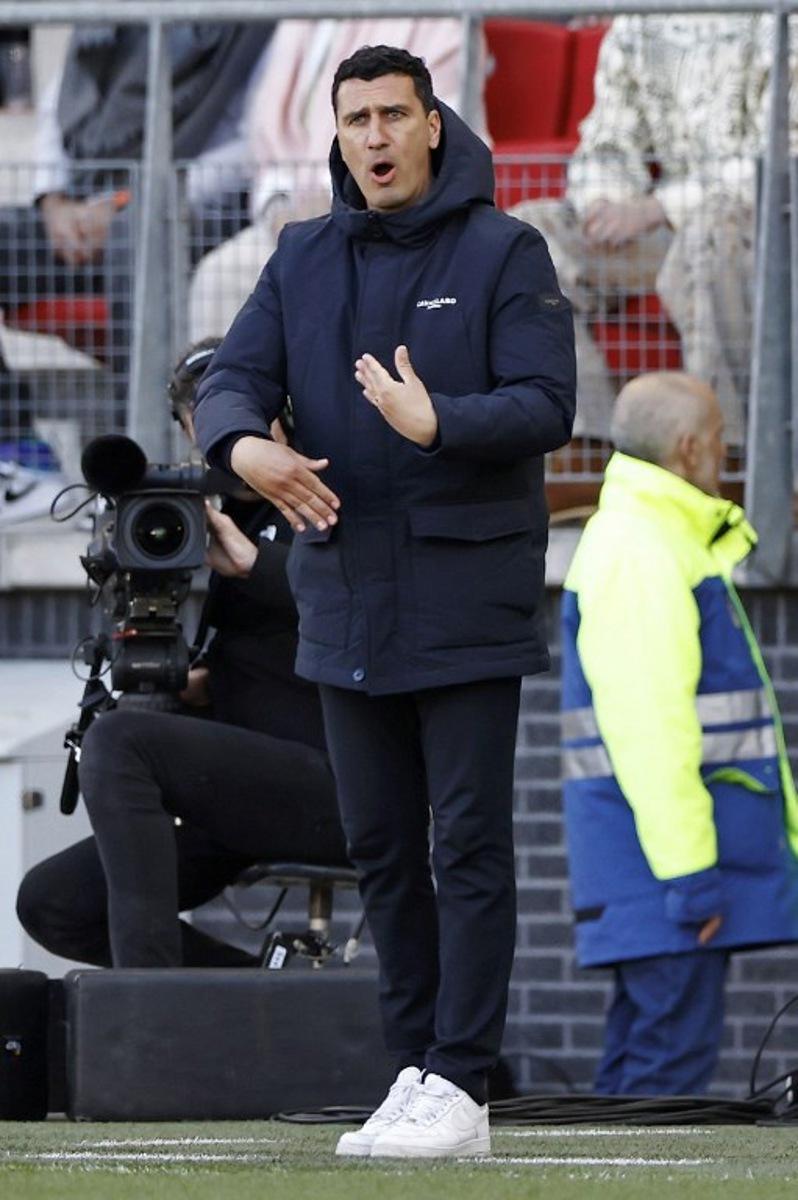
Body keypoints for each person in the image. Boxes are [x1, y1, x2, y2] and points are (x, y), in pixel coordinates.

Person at [193, 45, 575, 1157]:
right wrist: (244, 448)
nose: (375, 137)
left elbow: (548, 403)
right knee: (382, 849)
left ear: (433, 124)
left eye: (394, 115)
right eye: (356, 118)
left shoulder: (506, 249)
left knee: (469, 846)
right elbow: (230, 379)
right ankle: (413, 1070)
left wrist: (439, 421)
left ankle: (462, 1079)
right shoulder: (301, 255)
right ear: (338, 132)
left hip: (466, 599)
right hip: (345, 599)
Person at [15, 340, 348, 970]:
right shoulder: (225, 518)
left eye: (244, 431)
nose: (231, 453)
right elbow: (266, 659)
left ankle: (150, 1001)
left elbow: (370, 603)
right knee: (53, 903)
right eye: (214, 438)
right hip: (242, 790)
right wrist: (193, 681)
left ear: (284, 418)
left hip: (344, 788)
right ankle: (261, 996)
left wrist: (254, 564)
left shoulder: (335, 491)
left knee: (122, 743)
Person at [561, 371, 798, 1095]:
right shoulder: (645, 549)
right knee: (665, 1078)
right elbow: (652, 732)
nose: (727, 453)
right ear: (690, 448)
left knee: (643, 1070)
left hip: (652, 872)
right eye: (722, 438)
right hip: (666, 878)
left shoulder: (646, 539)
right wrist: (690, 881)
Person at [511, 14, 793, 447]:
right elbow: (607, 142)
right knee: (532, 234)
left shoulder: (782, 18)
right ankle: (583, 444)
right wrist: (603, 200)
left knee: (711, 231)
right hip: (671, 230)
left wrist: (658, 207)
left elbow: (781, 161)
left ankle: (725, 452)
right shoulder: (637, 23)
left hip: (768, 227)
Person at [0, 20, 275, 457]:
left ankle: (135, 454)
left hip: (189, 210)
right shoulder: (106, 19)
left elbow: (251, 143)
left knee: (137, 241)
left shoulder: (252, 24)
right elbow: (60, 102)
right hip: (82, 210)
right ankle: (13, 444)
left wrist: (130, 203)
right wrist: (53, 200)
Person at [188, 17, 486, 340]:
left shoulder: (442, 23)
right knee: (219, 275)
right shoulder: (298, 21)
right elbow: (264, 140)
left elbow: (433, 145)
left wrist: (334, 199)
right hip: (290, 213)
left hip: (398, 219)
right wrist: (280, 205)